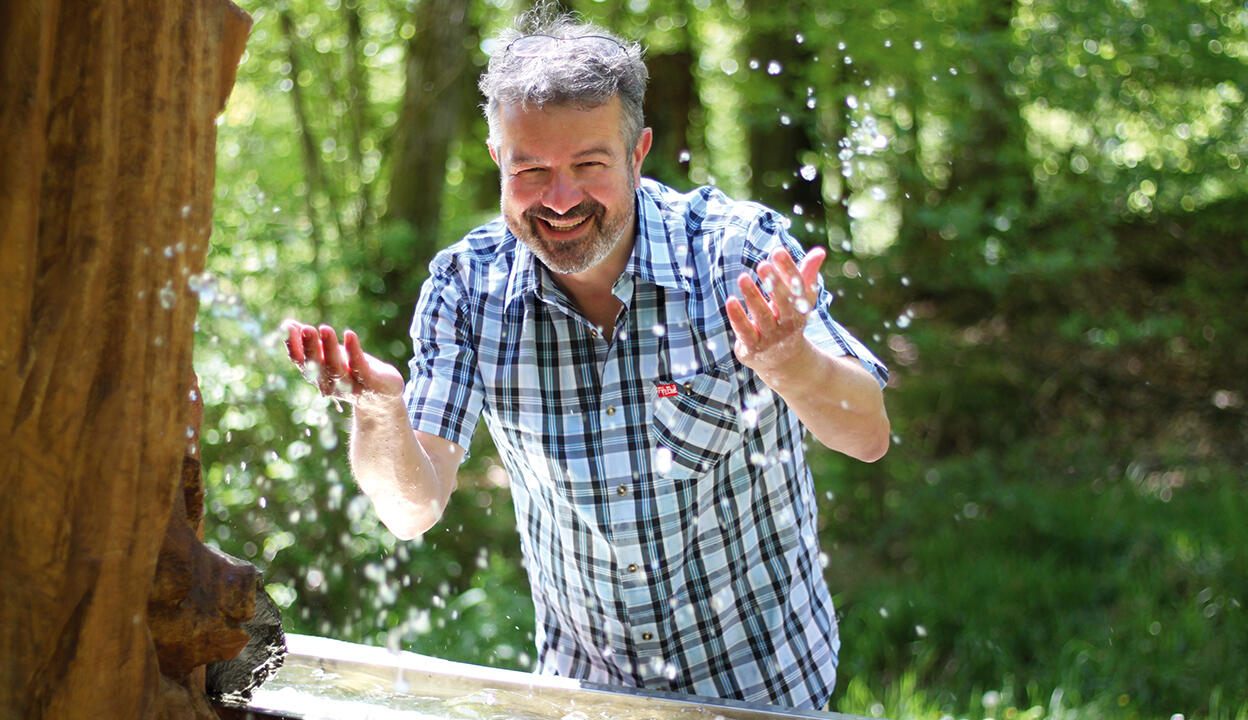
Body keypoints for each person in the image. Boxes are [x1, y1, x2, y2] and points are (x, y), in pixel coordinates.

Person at [284, 8, 890, 711]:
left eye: (589, 166)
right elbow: (410, 510)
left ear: (638, 155)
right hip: (582, 694)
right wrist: (379, 411)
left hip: (763, 685)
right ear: (498, 161)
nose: (561, 199)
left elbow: (868, 435)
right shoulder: (465, 287)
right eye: (532, 169)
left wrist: (791, 363)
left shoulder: (737, 252)